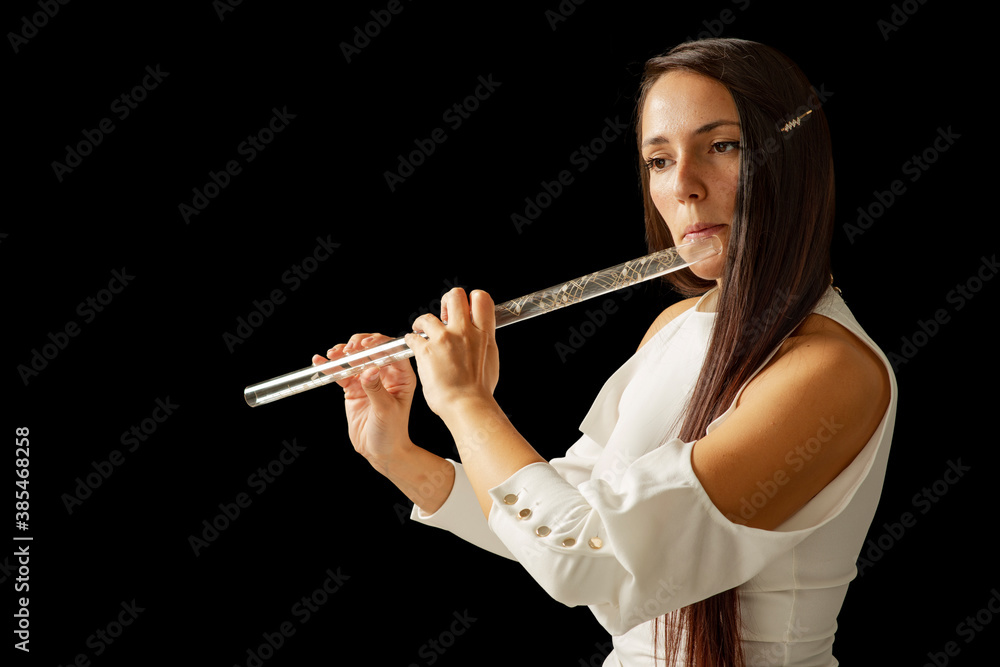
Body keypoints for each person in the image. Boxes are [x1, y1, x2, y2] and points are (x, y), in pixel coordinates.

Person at [314, 38, 896, 667]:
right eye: (659, 159)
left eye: (722, 146)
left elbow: (586, 558)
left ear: (794, 159)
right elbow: (555, 521)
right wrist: (397, 453)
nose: (684, 188)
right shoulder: (679, 325)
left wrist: (465, 403)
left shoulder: (829, 369)